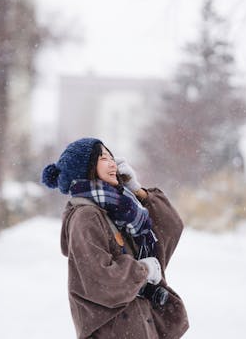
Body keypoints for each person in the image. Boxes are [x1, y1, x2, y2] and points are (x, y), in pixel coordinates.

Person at [42, 137, 189, 339]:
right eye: (103, 158)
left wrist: (137, 191)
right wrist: (143, 271)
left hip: (140, 326)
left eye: (112, 157)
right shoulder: (87, 216)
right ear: (85, 168)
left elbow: (171, 228)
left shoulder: (121, 210)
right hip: (115, 331)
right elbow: (99, 280)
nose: (113, 163)